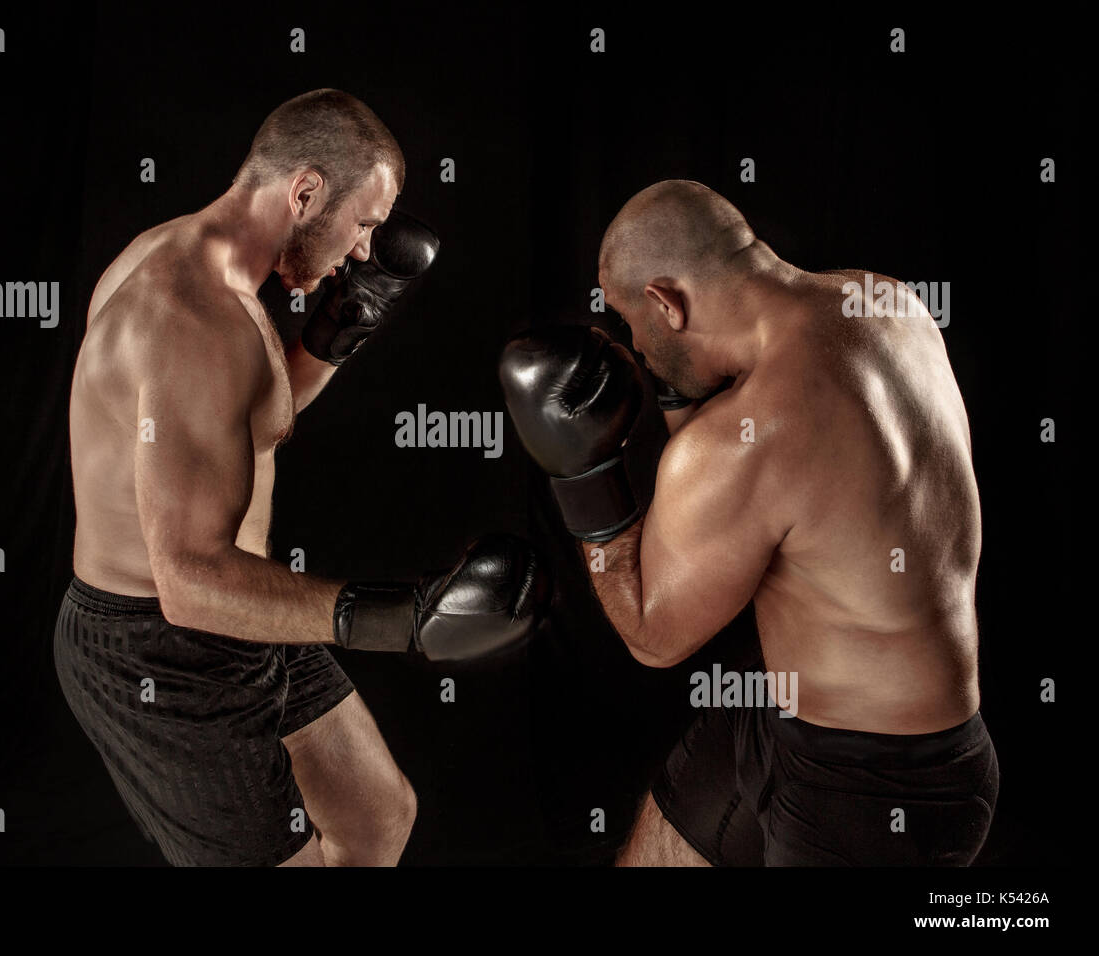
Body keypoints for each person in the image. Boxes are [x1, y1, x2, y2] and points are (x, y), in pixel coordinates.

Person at [55, 89, 545, 867]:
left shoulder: (198, 263)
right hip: (161, 648)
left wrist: (346, 321)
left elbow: (250, 422)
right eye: (366, 224)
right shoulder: (188, 315)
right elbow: (185, 580)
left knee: (377, 817)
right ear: (307, 191)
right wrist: (407, 618)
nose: (363, 250)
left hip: (237, 611)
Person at [500, 180, 996, 866]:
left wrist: (580, 477)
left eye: (629, 321)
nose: (632, 346)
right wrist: (678, 388)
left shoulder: (747, 442)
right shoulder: (889, 304)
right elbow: (777, 492)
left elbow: (653, 637)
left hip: (878, 793)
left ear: (666, 302)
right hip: (788, 707)